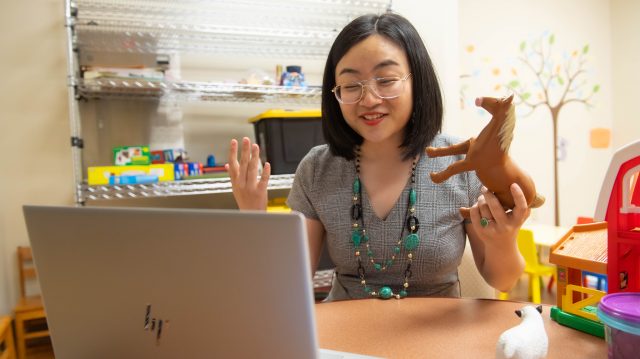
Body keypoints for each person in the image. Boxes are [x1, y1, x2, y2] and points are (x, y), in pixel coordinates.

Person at [226, 12, 528, 301]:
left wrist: (503, 240)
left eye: (386, 80)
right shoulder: (318, 169)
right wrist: (254, 218)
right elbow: (291, 284)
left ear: (417, 82)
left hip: (437, 339)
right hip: (344, 342)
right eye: (350, 85)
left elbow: (502, 280)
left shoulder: (460, 164)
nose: (369, 100)